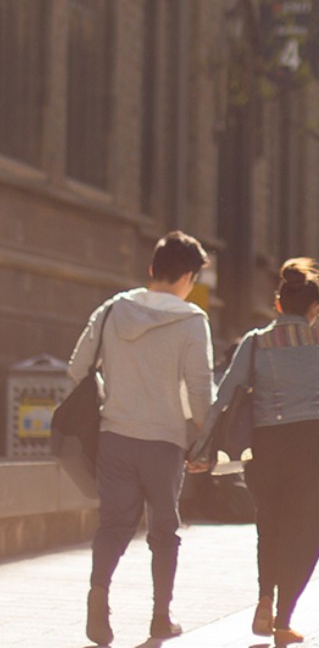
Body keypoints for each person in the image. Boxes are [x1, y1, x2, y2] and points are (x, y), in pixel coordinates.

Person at [200, 258, 319, 645]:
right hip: (308, 444)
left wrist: (202, 447)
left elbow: (225, 394)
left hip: (265, 446)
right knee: (306, 530)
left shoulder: (256, 341)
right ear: (315, 308)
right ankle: (283, 619)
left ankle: (264, 597)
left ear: (277, 304)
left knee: (270, 524)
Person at [67, 231, 214, 645]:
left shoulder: (114, 309)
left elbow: (78, 368)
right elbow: (200, 389)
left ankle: (98, 597)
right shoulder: (191, 320)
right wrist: (203, 436)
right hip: (164, 441)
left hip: (114, 434)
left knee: (112, 525)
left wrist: (115, 390)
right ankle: (160, 619)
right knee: (164, 531)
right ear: (188, 275)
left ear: (152, 269)